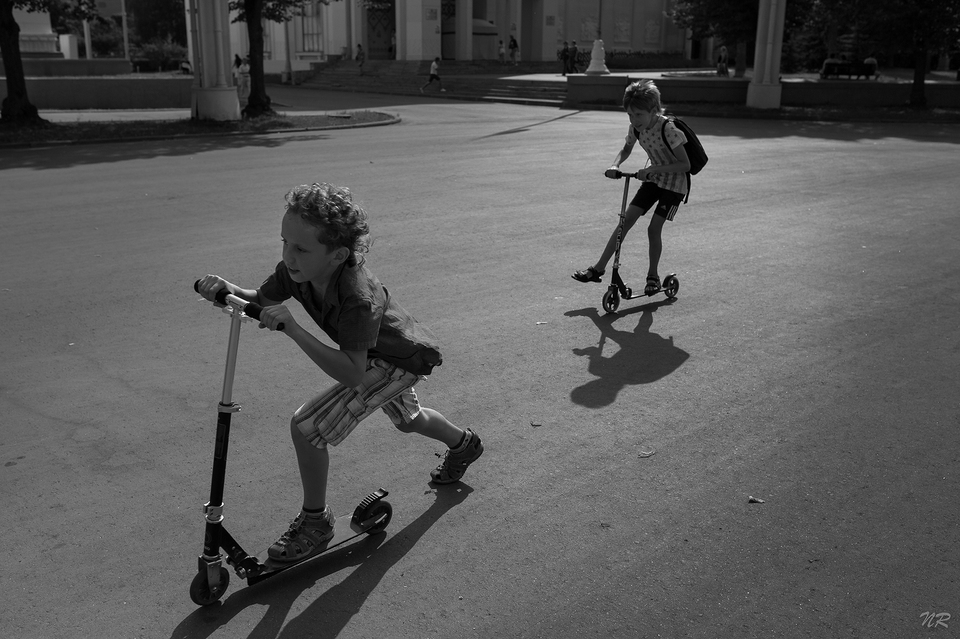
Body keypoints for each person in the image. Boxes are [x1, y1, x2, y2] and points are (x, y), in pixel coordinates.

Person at [196, 182, 484, 564]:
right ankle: (464, 443)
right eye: (284, 242)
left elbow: (352, 373)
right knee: (409, 420)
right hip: (374, 356)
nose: (288, 255)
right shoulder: (295, 270)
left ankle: (316, 522)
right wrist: (224, 289)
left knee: (307, 428)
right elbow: (259, 300)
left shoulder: (356, 297)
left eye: (300, 248)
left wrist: (295, 329)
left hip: (396, 359)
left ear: (338, 255)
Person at [572, 80, 691, 296]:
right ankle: (598, 269)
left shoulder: (668, 129)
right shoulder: (636, 129)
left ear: (654, 110)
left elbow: (685, 165)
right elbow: (626, 148)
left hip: (674, 186)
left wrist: (654, 168)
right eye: (629, 115)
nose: (634, 120)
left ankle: (653, 277)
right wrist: (615, 164)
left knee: (653, 229)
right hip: (653, 181)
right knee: (624, 222)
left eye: (638, 115)